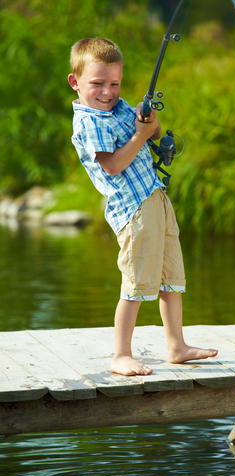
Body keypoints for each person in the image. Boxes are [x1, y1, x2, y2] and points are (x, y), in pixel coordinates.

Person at [68, 37, 218, 376]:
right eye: (97, 84)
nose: (107, 91)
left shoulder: (119, 107)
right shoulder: (89, 122)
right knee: (135, 284)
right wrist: (138, 136)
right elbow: (113, 165)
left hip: (156, 199)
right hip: (133, 211)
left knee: (171, 279)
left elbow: (152, 134)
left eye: (114, 83)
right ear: (75, 82)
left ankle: (176, 346)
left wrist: (148, 123)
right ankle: (121, 354)